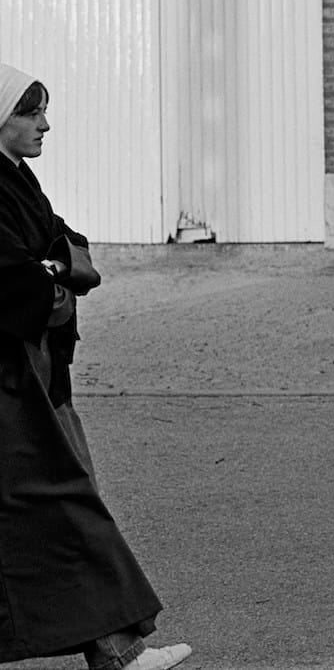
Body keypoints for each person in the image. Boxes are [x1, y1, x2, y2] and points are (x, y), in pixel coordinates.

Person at [0, 64, 193, 670]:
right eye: (29, 112)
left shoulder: (17, 178)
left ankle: (115, 650)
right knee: (61, 503)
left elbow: (65, 243)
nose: (44, 124)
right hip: (13, 384)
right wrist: (57, 274)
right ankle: (117, 653)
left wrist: (54, 267)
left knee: (55, 506)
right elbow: (18, 283)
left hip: (38, 376)